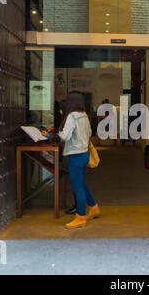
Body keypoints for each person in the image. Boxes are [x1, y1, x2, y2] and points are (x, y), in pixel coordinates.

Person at [57, 91, 101, 229]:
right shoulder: (84, 115)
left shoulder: (72, 116)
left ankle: (80, 217)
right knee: (81, 184)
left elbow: (65, 136)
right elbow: (89, 133)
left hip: (75, 155)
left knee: (77, 188)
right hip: (84, 153)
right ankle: (93, 207)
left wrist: (55, 133)